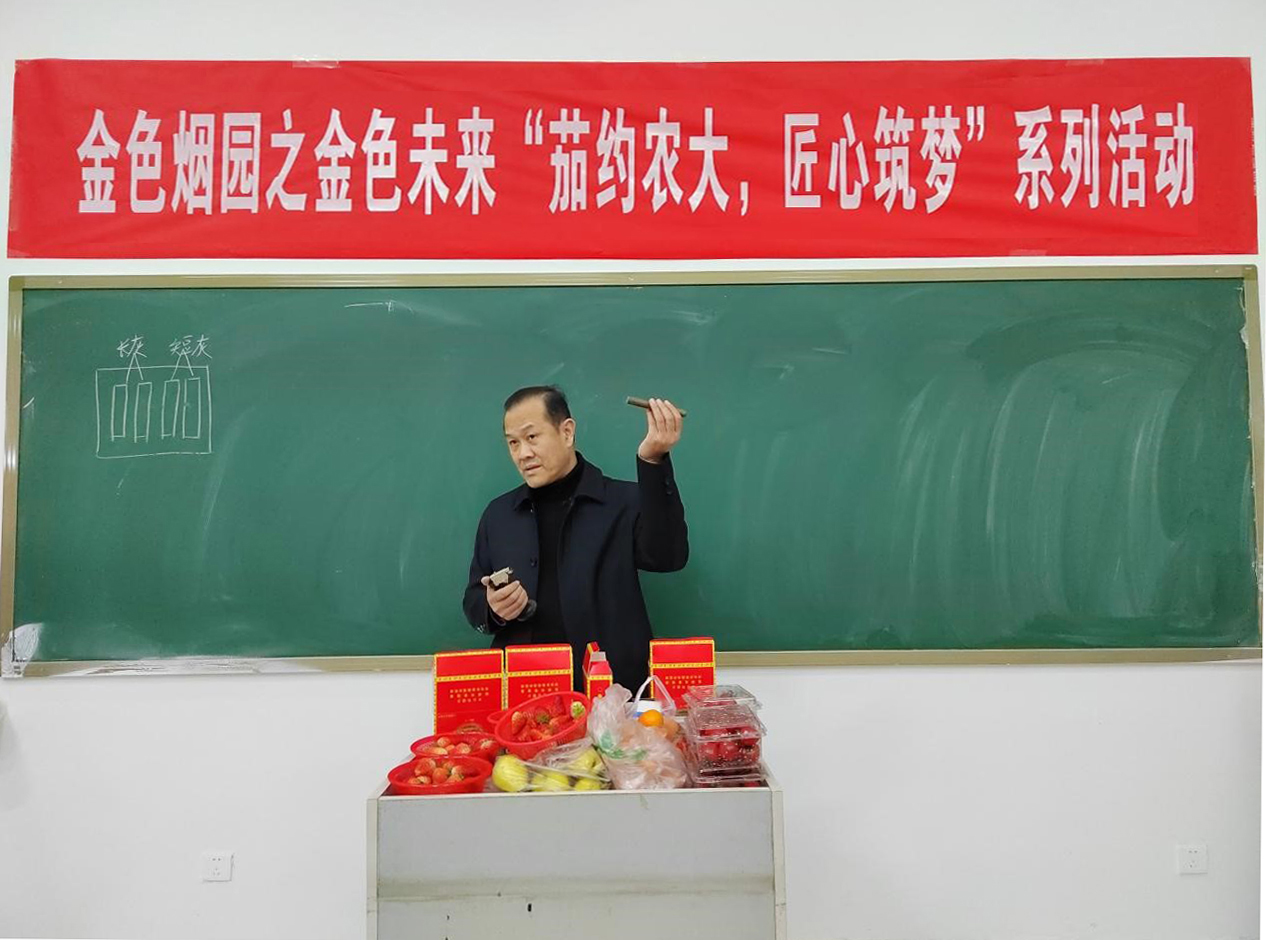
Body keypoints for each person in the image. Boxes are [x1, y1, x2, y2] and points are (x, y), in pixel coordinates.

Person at [462, 385, 688, 692]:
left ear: (567, 432)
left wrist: (652, 462)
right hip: (525, 694)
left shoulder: (623, 502)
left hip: (611, 694)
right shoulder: (499, 514)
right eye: (513, 443)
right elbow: (474, 599)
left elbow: (669, 557)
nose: (523, 453)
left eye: (532, 437)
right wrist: (493, 608)